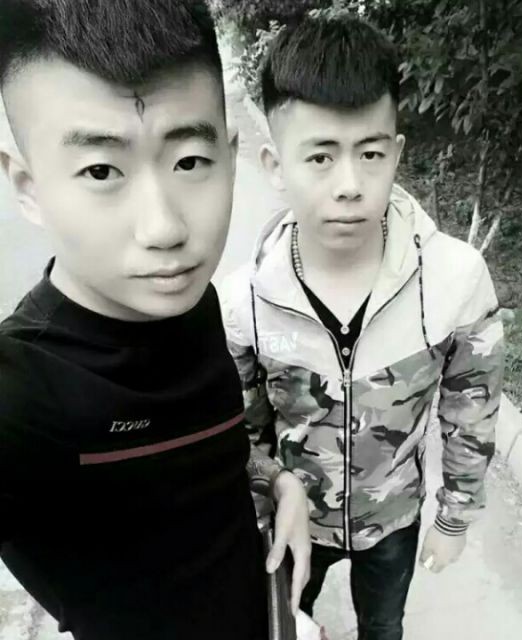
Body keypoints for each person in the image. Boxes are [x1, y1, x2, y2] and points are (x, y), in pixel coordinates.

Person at [0, 2, 310, 639]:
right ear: (28, 187)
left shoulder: (192, 301)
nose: (165, 228)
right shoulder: (23, 390)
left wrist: (276, 480)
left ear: (229, 155)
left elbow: (203, 454)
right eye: (101, 170)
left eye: (189, 161)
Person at [220, 15, 505, 640]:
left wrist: (454, 516)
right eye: (320, 156)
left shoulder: (454, 281)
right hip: (293, 521)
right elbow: (244, 432)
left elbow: (472, 411)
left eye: (370, 154)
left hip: (394, 520)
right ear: (275, 164)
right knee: (284, 625)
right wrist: (257, 517)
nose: (349, 185)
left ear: (396, 154)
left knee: (383, 627)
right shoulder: (244, 303)